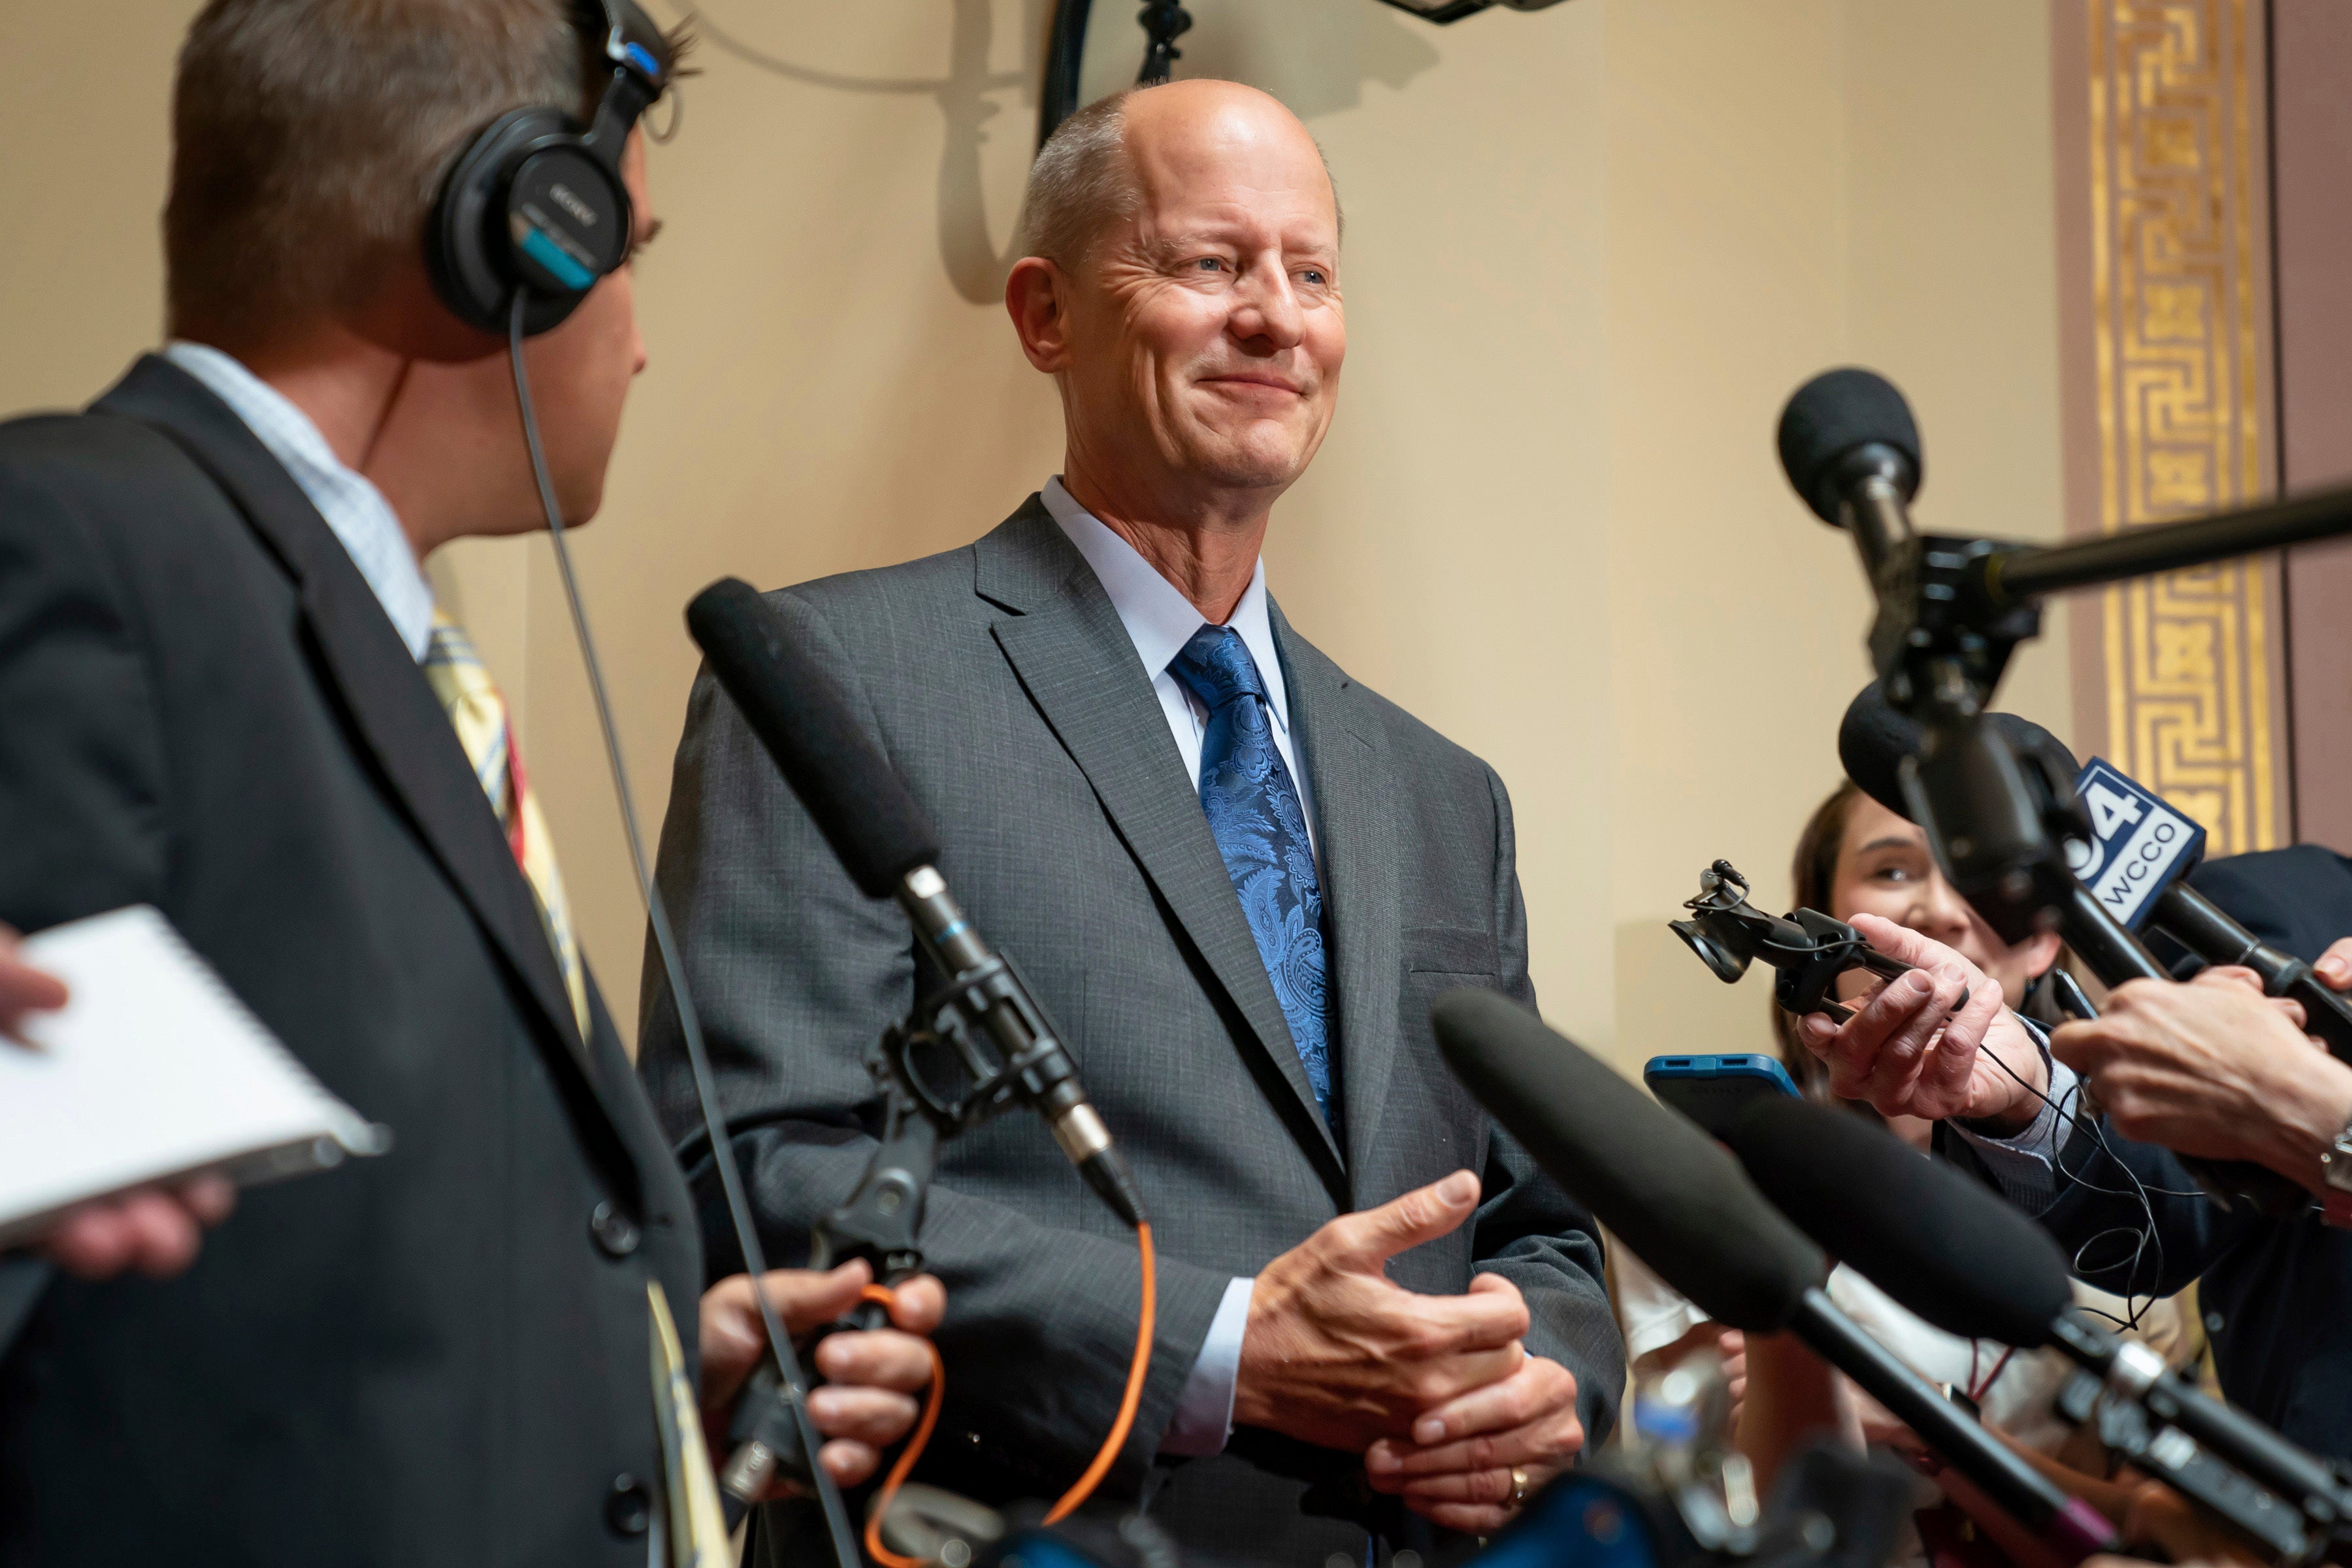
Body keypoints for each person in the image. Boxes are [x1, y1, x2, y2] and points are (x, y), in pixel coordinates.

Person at [0, 4, 939, 1561]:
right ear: (515, 234)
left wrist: (626, 1373)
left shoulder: (379, 648)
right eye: (627, 253)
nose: (639, 335)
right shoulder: (76, 546)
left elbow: (262, 1316)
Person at [640, 78, 1620, 1563]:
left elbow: (1539, 1223)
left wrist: (1547, 1376)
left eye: (1311, 272)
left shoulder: (1440, 792)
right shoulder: (836, 679)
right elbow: (753, 1166)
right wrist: (1221, 1344)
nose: (1274, 317)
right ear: (1046, 315)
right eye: (1212, 264)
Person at [1795, 850, 2352, 1458]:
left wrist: (2327, 1118)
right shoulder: (2294, 896)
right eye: (1893, 872)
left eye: (1968, 873)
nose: (1943, 909)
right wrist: (2027, 1094)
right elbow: (2177, 1200)